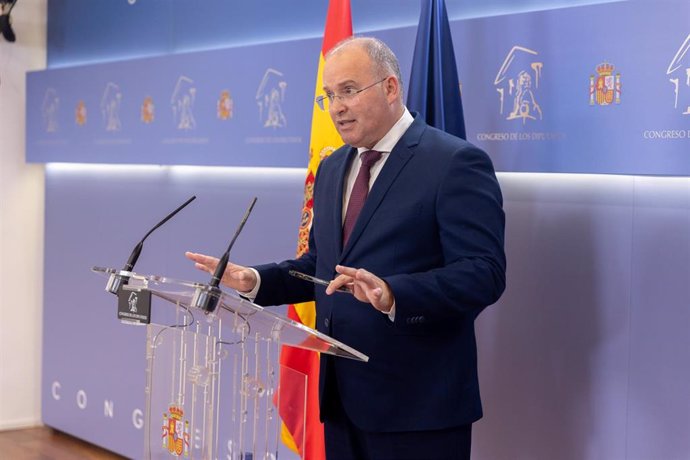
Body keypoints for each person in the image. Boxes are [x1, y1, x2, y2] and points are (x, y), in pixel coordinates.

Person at [187, 36, 506, 460]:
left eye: (349, 91)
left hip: (420, 405)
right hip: (341, 400)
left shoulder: (454, 163)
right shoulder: (334, 165)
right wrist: (256, 280)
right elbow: (322, 265)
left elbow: (483, 273)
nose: (337, 106)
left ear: (391, 88)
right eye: (329, 96)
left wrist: (395, 293)